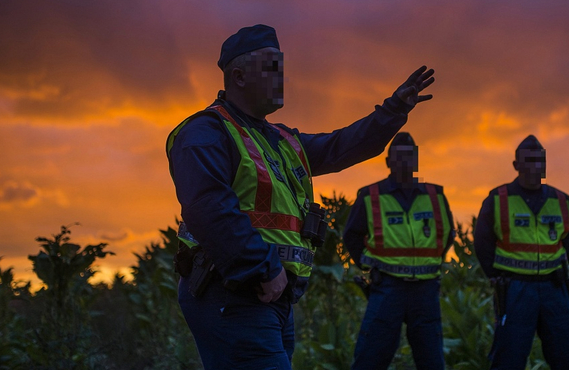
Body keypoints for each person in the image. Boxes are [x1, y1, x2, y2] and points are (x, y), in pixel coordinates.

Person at [165, 24, 435, 369]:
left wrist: (394, 109)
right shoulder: (204, 133)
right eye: (272, 68)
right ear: (239, 75)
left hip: (271, 297)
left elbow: (342, 146)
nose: (283, 79)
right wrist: (261, 267)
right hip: (232, 294)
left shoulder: (282, 141)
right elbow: (208, 209)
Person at [343, 132, 455, 370]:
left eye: (409, 156)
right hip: (386, 288)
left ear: (416, 160)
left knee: (432, 361)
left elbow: (447, 234)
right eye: (399, 156)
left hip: (425, 291)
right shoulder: (371, 195)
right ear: (388, 161)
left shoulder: (435, 195)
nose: (404, 161)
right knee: (369, 359)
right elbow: (351, 236)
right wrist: (368, 265)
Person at [474, 135, 569, 370]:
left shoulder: (561, 199)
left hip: (554, 287)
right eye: (529, 160)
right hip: (515, 289)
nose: (535, 166)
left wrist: (558, 263)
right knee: (509, 357)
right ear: (516, 165)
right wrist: (493, 273)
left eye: (539, 160)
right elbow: (482, 241)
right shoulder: (498, 198)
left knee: (563, 357)